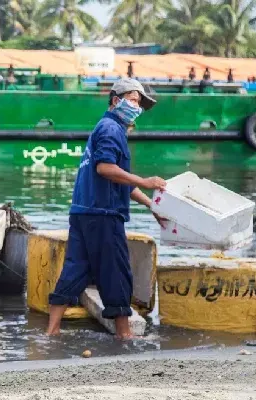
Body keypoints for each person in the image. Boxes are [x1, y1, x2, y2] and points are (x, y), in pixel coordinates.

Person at [45, 77, 168, 340]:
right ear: (116, 101)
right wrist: (146, 181)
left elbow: (118, 181)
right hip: (102, 214)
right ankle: (124, 335)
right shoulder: (112, 129)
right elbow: (106, 169)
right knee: (116, 271)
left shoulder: (104, 128)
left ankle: (51, 332)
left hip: (82, 212)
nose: (137, 107)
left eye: (140, 104)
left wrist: (151, 205)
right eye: (134, 100)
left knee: (75, 269)